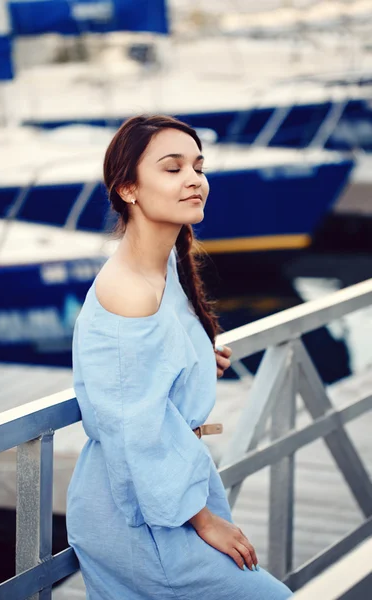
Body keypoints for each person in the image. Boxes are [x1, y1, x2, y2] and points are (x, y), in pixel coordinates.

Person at [66, 115, 293, 599]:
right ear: (128, 188)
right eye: (172, 169)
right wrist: (205, 521)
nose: (194, 179)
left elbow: (142, 369)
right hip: (142, 515)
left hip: (169, 489)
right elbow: (133, 430)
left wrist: (192, 362)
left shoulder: (161, 261)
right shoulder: (127, 289)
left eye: (198, 166)